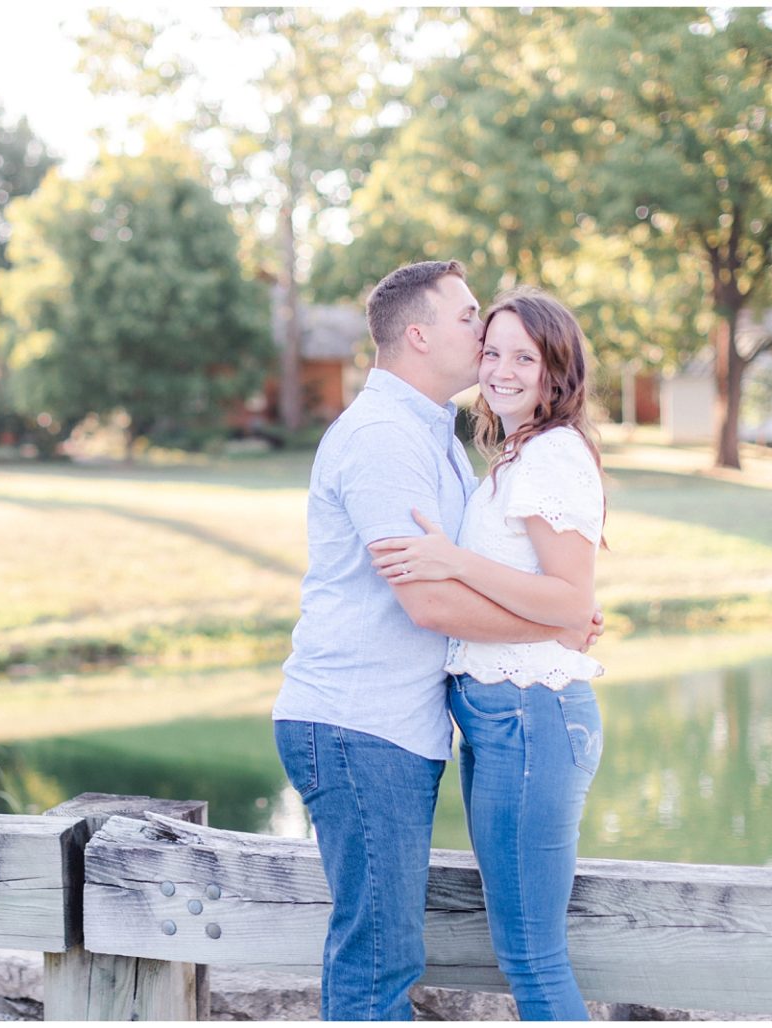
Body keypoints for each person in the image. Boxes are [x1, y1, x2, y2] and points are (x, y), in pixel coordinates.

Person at [272, 262, 600, 1021]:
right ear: (418, 334)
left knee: (397, 951)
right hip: (361, 723)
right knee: (380, 960)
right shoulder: (386, 437)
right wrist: (559, 620)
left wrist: (558, 610)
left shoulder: (440, 436)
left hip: (401, 725)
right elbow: (429, 601)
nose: (483, 333)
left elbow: (504, 577)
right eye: (470, 318)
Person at [368, 286, 607, 1020]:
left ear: (555, 370)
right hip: (502, 722)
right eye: (492, 350)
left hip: (532, 720)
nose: (502, 369)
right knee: (521, 951)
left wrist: (452, 561)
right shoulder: (513, 454)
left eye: (523, 357)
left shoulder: (552, 457)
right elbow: (557, 607)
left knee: (534, 958)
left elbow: (570, 601)